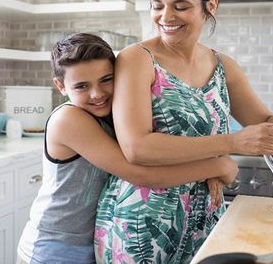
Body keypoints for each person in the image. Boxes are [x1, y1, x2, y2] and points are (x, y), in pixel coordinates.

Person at [95, 0, 273, 263]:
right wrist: (230, 144)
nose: (166, 16)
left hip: (204, 221)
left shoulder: (223, 66)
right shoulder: (137, 59)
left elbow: (267, 126)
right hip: (140, 225)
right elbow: (137, 147)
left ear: (211, 5)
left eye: (180, 6)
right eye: (158, 5)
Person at [16, 33, 238, 264]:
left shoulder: (111, 114)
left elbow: (162, 151)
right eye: (82, 86)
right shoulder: (69, 119)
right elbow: (140, 173)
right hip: (54, 248)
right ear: (60, 86)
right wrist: (217, 165)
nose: (97, 94)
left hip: (89, 241)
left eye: (106, 80)